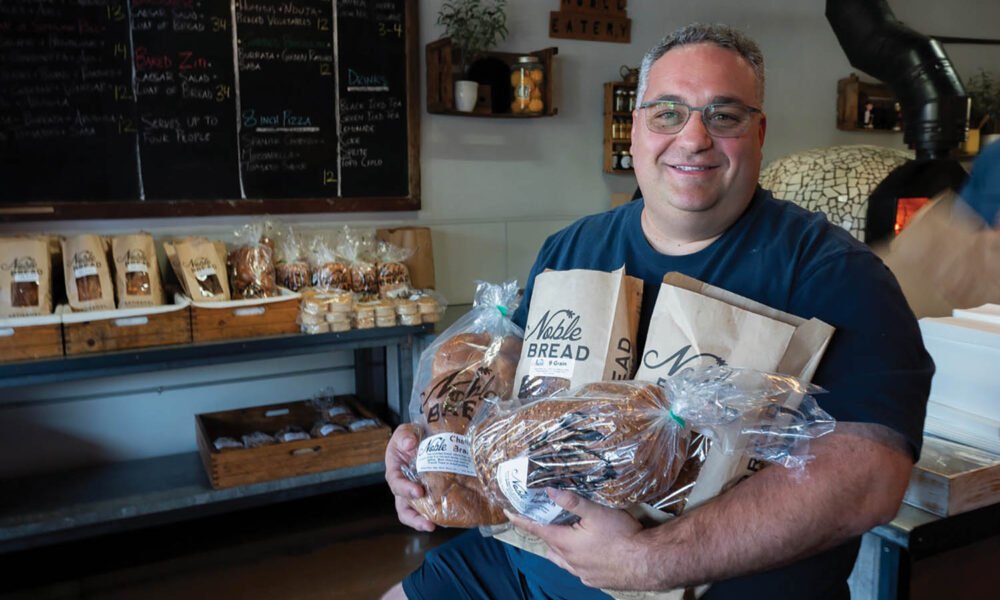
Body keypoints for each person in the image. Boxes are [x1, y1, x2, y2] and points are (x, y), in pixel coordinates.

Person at [383, 23, 932, 600]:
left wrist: (656, 559)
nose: (693, 137)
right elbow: (501, 402)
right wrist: (435, 449)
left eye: (724, 115)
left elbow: (869, 478)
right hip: (524, 562)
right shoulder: (571, 251)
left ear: (760, 132)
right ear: (636, 127)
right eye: (667, 112)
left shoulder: (836, 274)